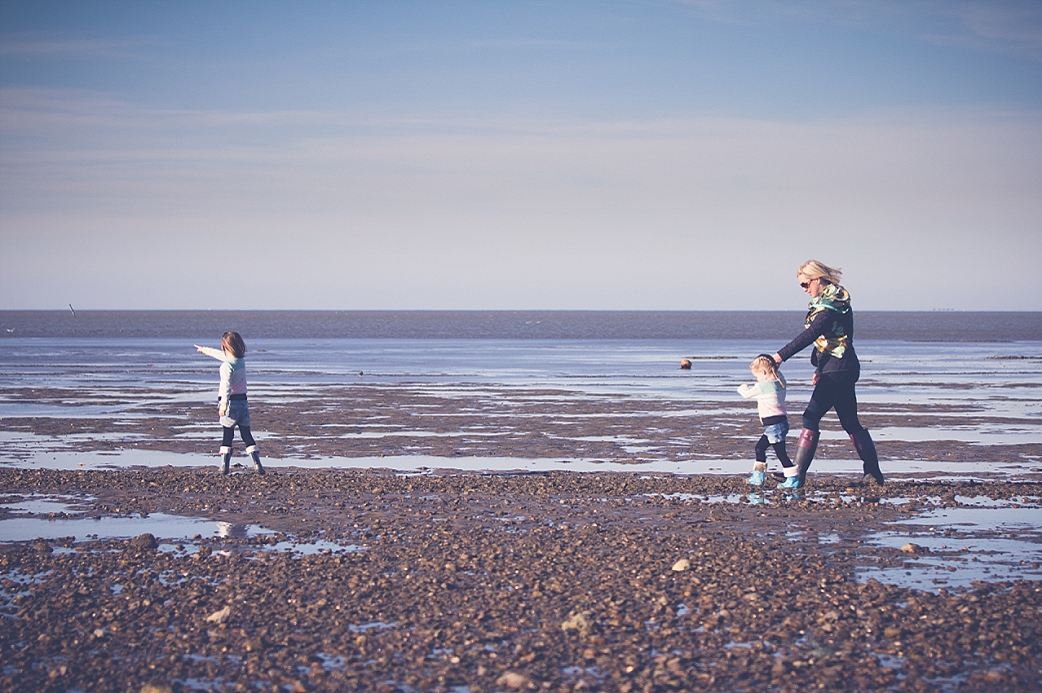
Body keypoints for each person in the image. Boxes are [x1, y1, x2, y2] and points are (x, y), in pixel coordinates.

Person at [771, 260, 883, 488]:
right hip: (840, 368)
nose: (804, 289)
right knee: (850, 422)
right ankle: (873, 474)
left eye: (805, 284)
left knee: (810, 417)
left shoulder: (831, 306)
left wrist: (778, 357)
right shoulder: (831, 303)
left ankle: (796, 475)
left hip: (839, 370)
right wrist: (820, 368)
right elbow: (831, 341)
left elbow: (813, 334)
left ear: (817, 279)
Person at [195, 331, 265, 475]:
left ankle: (224, 466)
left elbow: (226, 386)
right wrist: (205, 350)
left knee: (228, 435)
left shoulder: (226, 367)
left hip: (231, 404)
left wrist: (223, 405)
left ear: (225, 347)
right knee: (246, 434)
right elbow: (222, 356)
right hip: (243, 403)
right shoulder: (240, 362)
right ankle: (257, 464)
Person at [737, 354, 794, 486]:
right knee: (759, 448)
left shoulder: (763, 386)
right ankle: (758, 477)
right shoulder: (781, 381)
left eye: (756, 376)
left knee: (781, 454)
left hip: (774, 425)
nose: (756, 379)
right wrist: (773, 367)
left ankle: (793, 478)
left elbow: (746, 394)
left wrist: (742, 387)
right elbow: (776, 373)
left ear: (763, 372)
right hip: (778, 424)